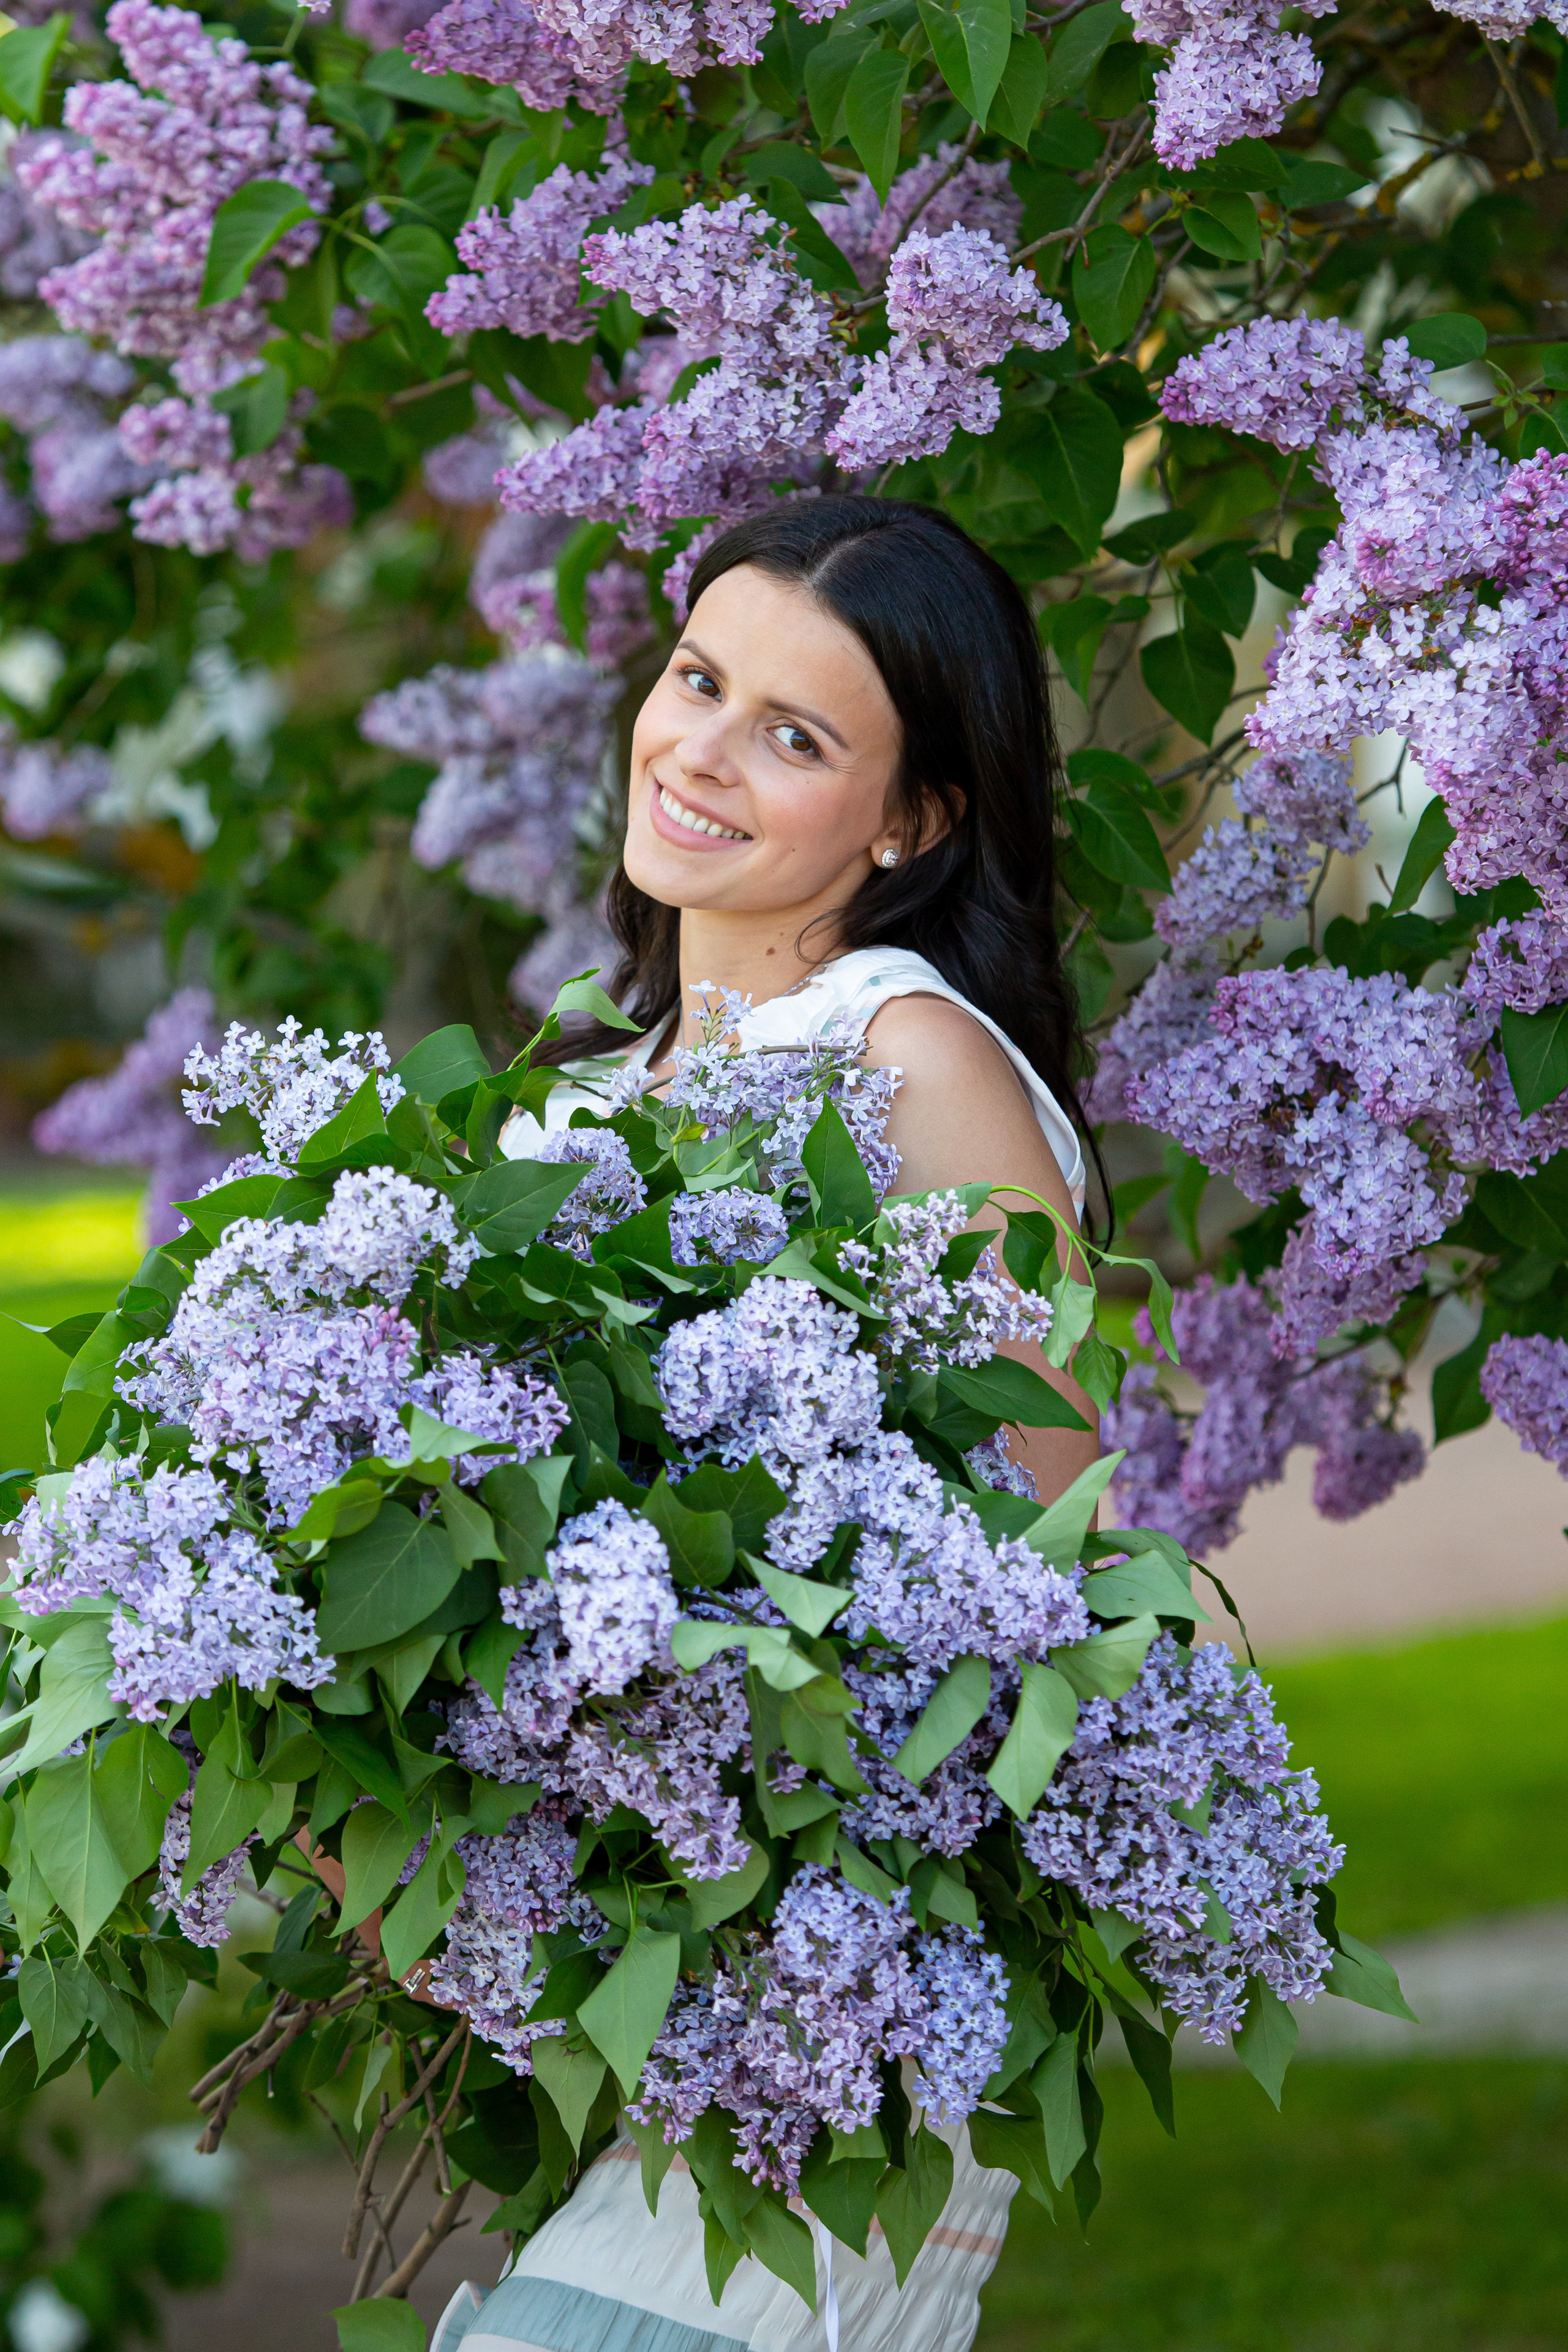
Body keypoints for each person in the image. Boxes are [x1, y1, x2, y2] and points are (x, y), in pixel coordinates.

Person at [435, 494, 1102, 2352]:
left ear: (913, 820)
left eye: (793, 736)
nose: (699, 753)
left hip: (837, 2000)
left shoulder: (909, 1060)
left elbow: (1049, 1591)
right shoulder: (579, 1105)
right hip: (628, 1988)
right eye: (699, 681)